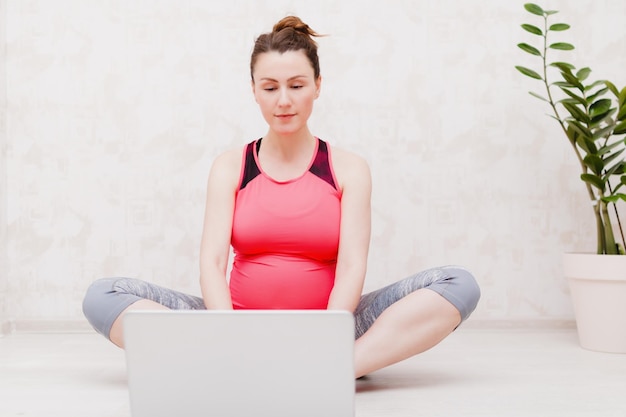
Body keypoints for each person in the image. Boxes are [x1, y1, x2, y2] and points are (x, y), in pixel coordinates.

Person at [82, 16, 480, 379]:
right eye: (270, 88)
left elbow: (352, 264)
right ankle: (242, 359)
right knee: (103, 296)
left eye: (297, 85)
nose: (283, 101)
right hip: (235, 327)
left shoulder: (348, 169)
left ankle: (330, 368)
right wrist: (227, 332)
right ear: (254, 90)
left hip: (332, 329)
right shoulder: (230, 166)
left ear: (318, 86)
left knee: (457, 285)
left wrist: (329, 334)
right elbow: (213, 260)